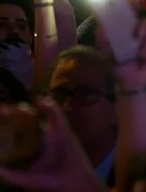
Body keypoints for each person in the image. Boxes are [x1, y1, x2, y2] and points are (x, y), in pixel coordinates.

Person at [47, 45, 117, 186]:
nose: (68, 106)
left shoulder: (140, 177)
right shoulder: (35, 175)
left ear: (116, 109)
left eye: (86, 94)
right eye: (59, 94)